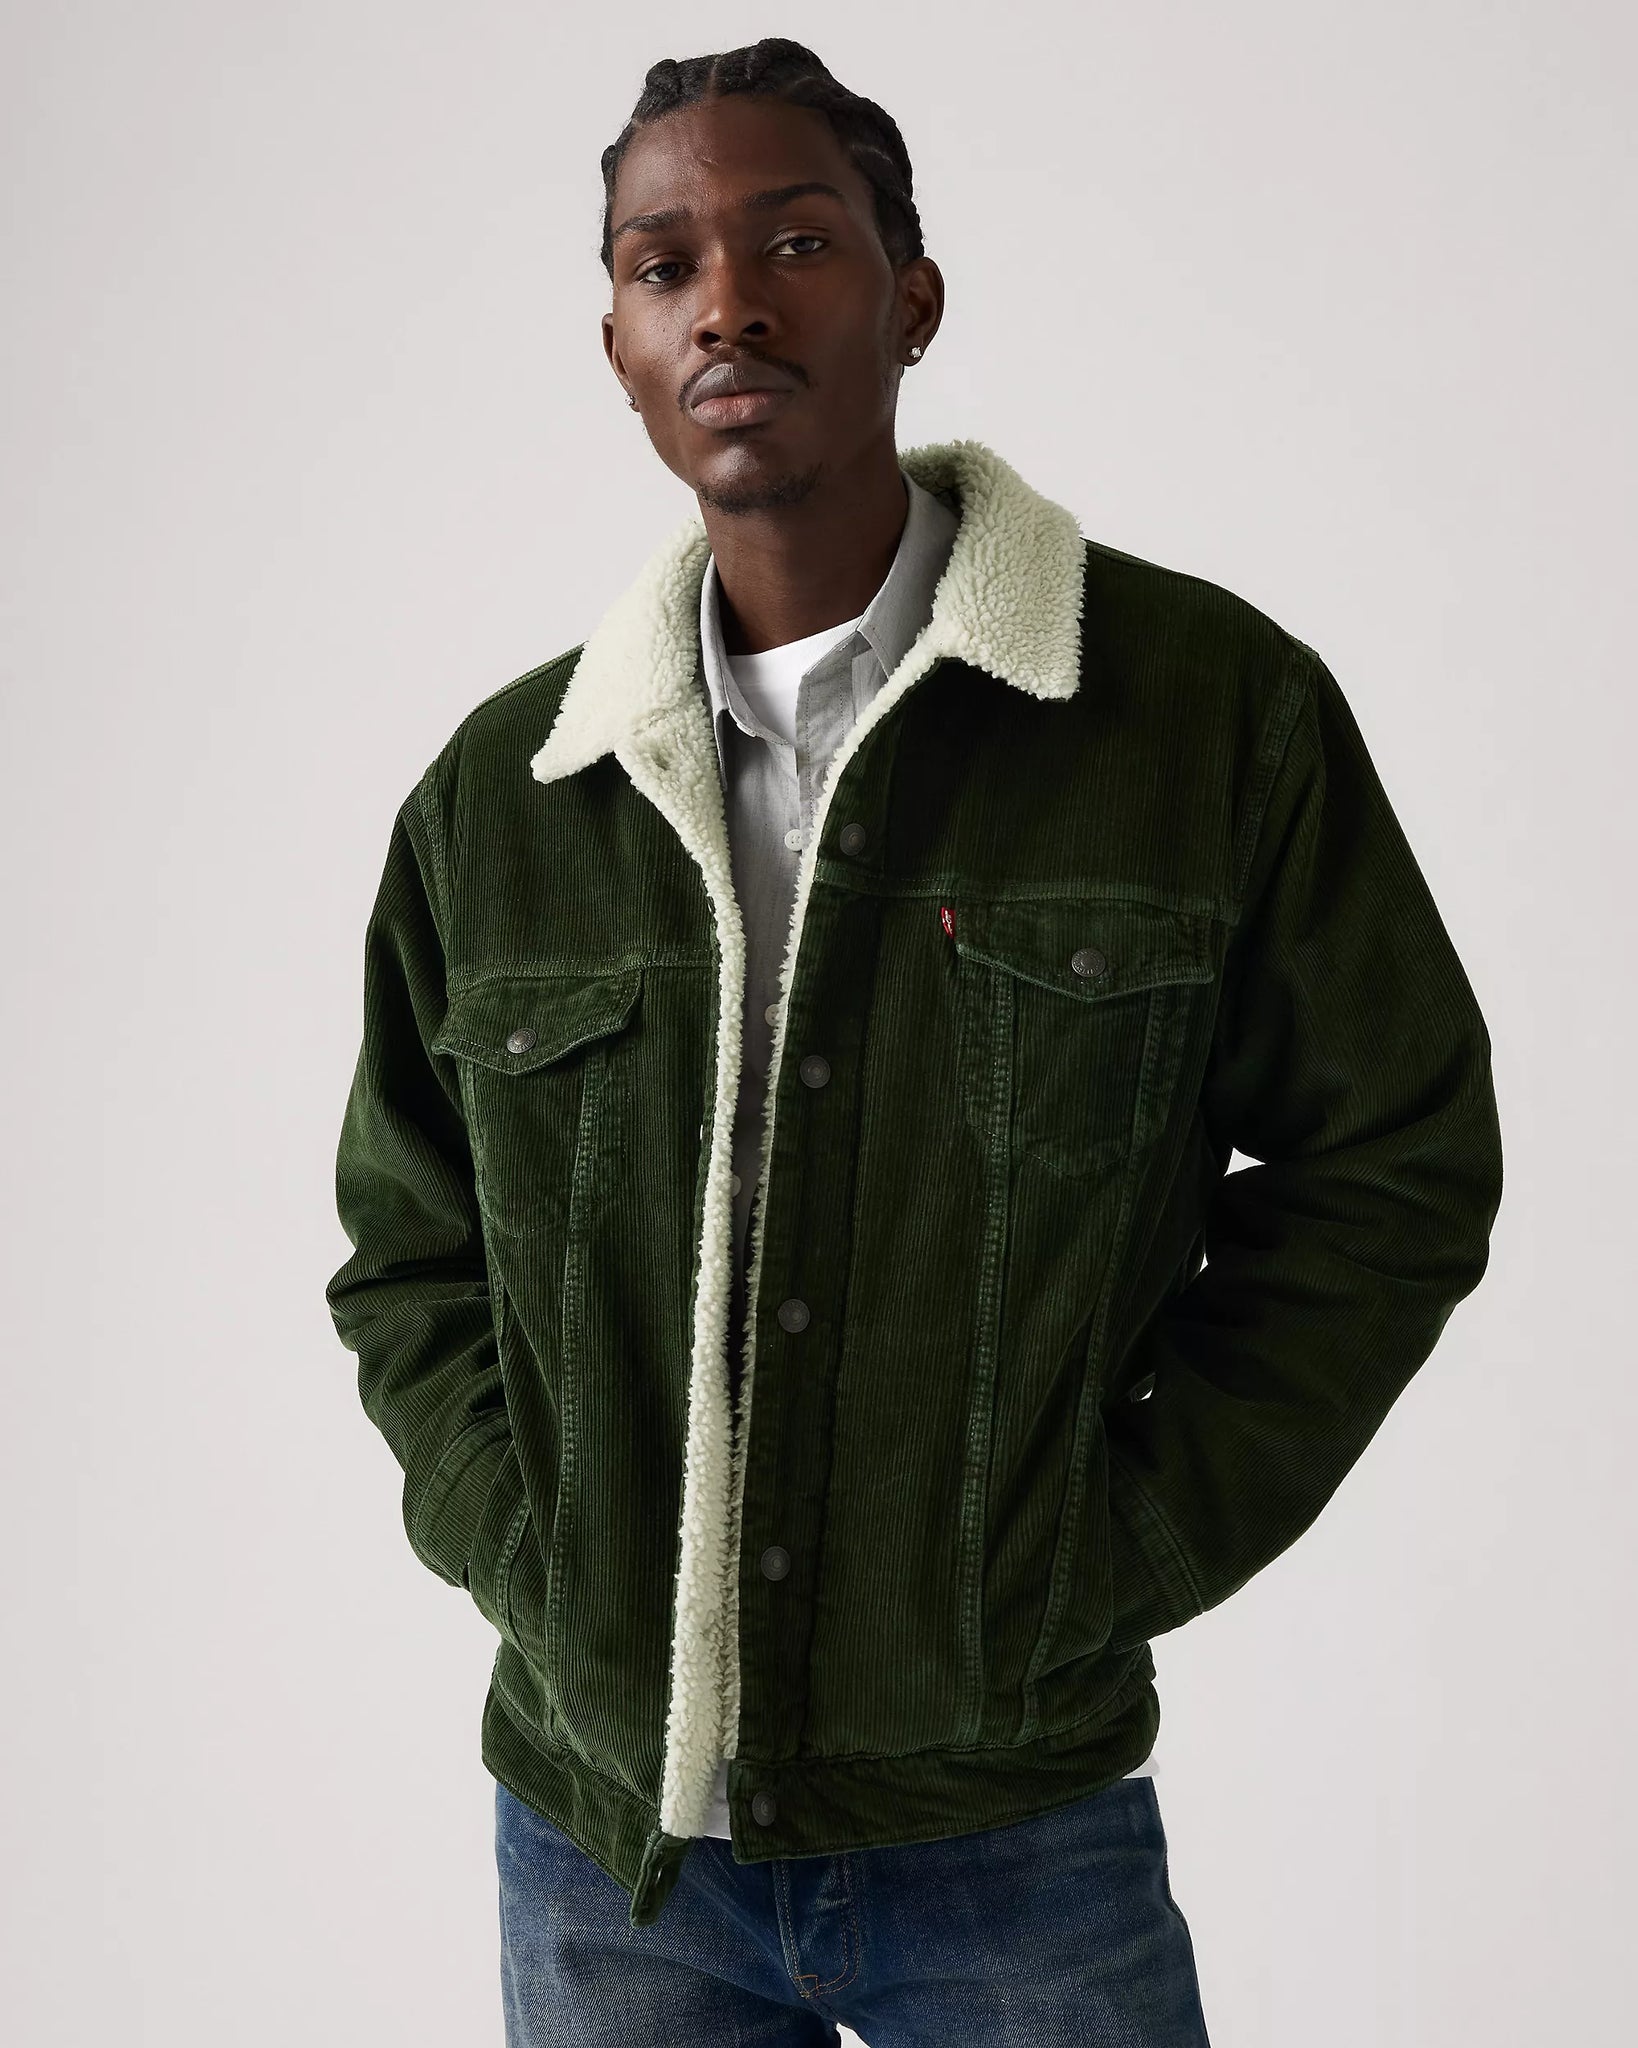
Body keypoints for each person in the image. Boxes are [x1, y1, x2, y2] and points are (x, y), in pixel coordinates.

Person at [325, 37, 1504, 2046]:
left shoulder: (1201, 717)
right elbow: (407, 1255)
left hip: (1014, 1827)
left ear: (912, 296)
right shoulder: (506, 800)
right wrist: (537, 1558)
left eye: (794, 242)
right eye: (662, 265)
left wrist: (1115, 1539)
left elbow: (1392, 1164)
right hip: (610, 1852)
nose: (726, 304)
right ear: (618, 348)